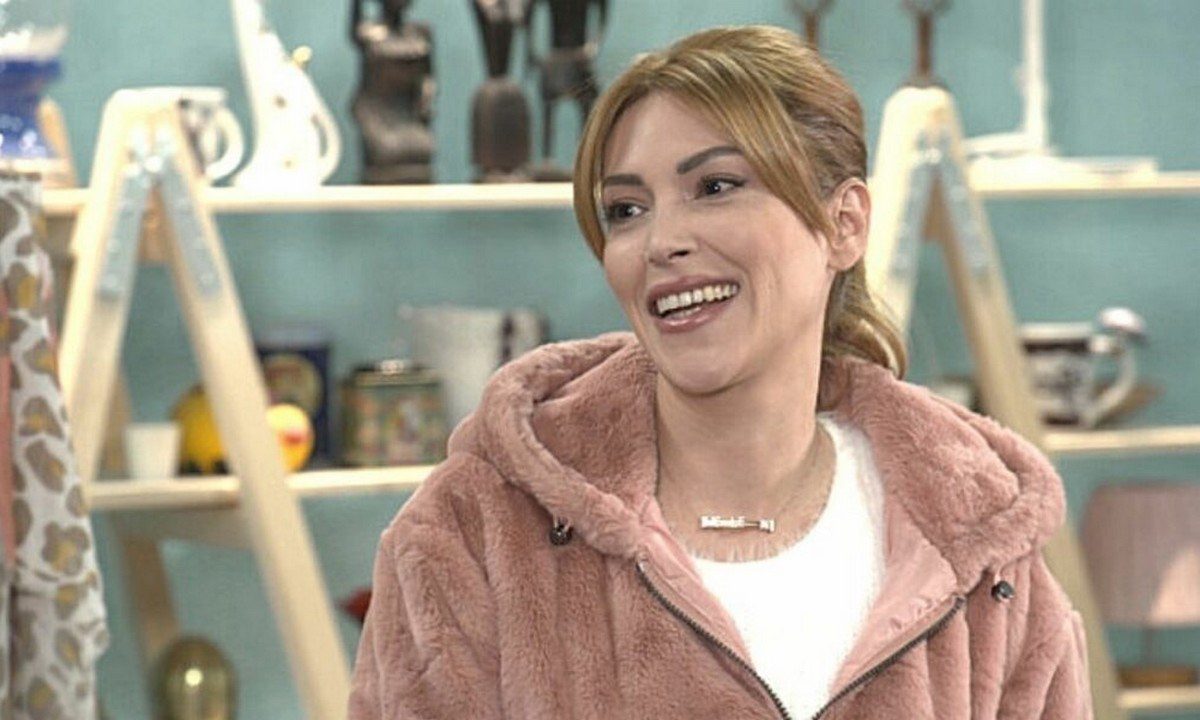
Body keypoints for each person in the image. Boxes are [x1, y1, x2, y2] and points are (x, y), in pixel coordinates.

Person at [349, 25, 1092, 719]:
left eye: (715, 187)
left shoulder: (981, 548)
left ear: (844, 225)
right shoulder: (474, 532)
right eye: (626, 210)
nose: (661, 241)